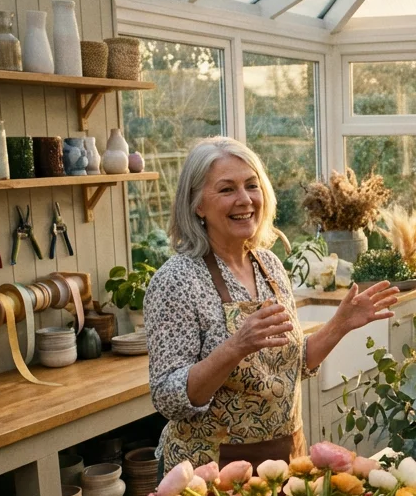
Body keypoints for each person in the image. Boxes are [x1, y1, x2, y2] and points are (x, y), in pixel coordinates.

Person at [145, 137, 399, 473]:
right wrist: (236, 346)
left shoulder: (269, 265)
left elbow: (292, 365)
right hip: (209, 477)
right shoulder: (176, 280)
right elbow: (168, 398)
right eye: (226, 189)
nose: (245, 199)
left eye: (252, 185)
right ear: (197, 205)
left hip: (283, 461)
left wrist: (341, 324)